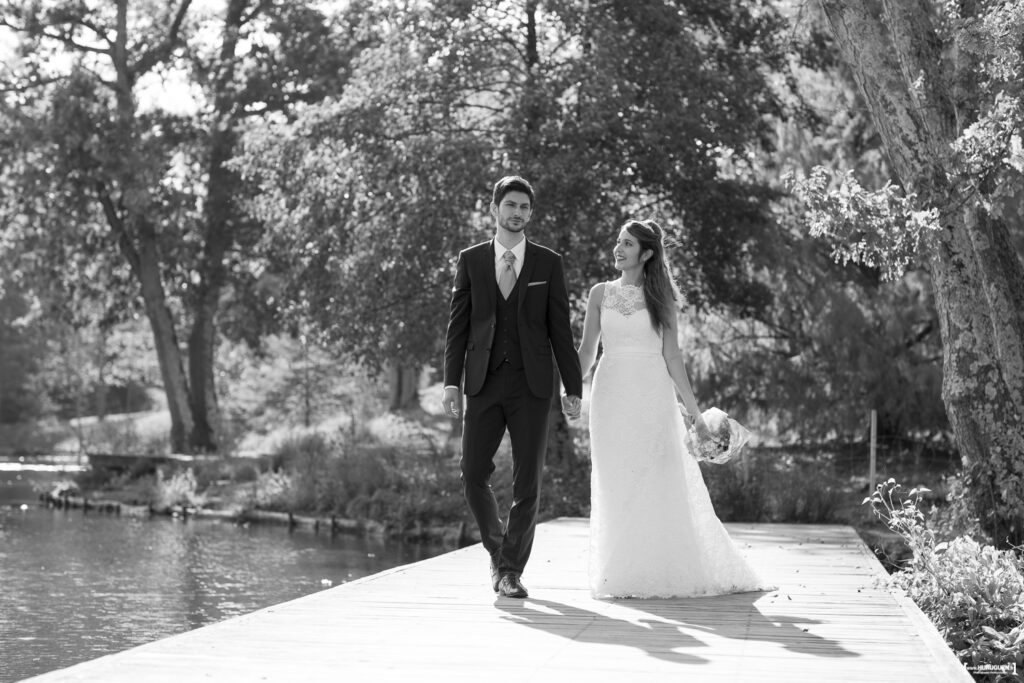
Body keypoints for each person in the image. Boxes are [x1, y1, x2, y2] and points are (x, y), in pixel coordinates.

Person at [575, 219, 773, 598]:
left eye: (627, 244)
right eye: (617, 241)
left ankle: (658, 567)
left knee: (654, 475)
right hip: (610, 393)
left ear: (646, 253)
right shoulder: (599, 293)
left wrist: (696, 415)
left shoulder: (661, 298)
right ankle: (618, 573)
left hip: (652, 394)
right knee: (615, 477)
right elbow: (587, 350)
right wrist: (570, 388)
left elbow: (672, 355)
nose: (618, 249)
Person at [442, 175, 583, 599]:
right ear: (494, 209)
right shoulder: (470, 259)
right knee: (471, 474)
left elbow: (561, 328)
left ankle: (510, 572)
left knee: (528, 484)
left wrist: (573, 386)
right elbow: (458, 325)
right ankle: (498, 548)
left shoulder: (547, 263)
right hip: (482, 383)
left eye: (525, 207)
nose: (518, 213)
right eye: (511, 205)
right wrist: (451, 381)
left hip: (533, 386)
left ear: (530, 214)